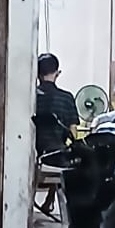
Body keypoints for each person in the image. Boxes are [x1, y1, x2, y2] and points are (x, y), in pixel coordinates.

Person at [34, 53, 80, 217]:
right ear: (57, 73)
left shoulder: (30, 98)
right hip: (57, 156)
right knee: (66, 154)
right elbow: (73, 132)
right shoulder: (66, 98)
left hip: (33, 154)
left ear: (36, 73)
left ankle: (48, 201)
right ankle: (52, 200)